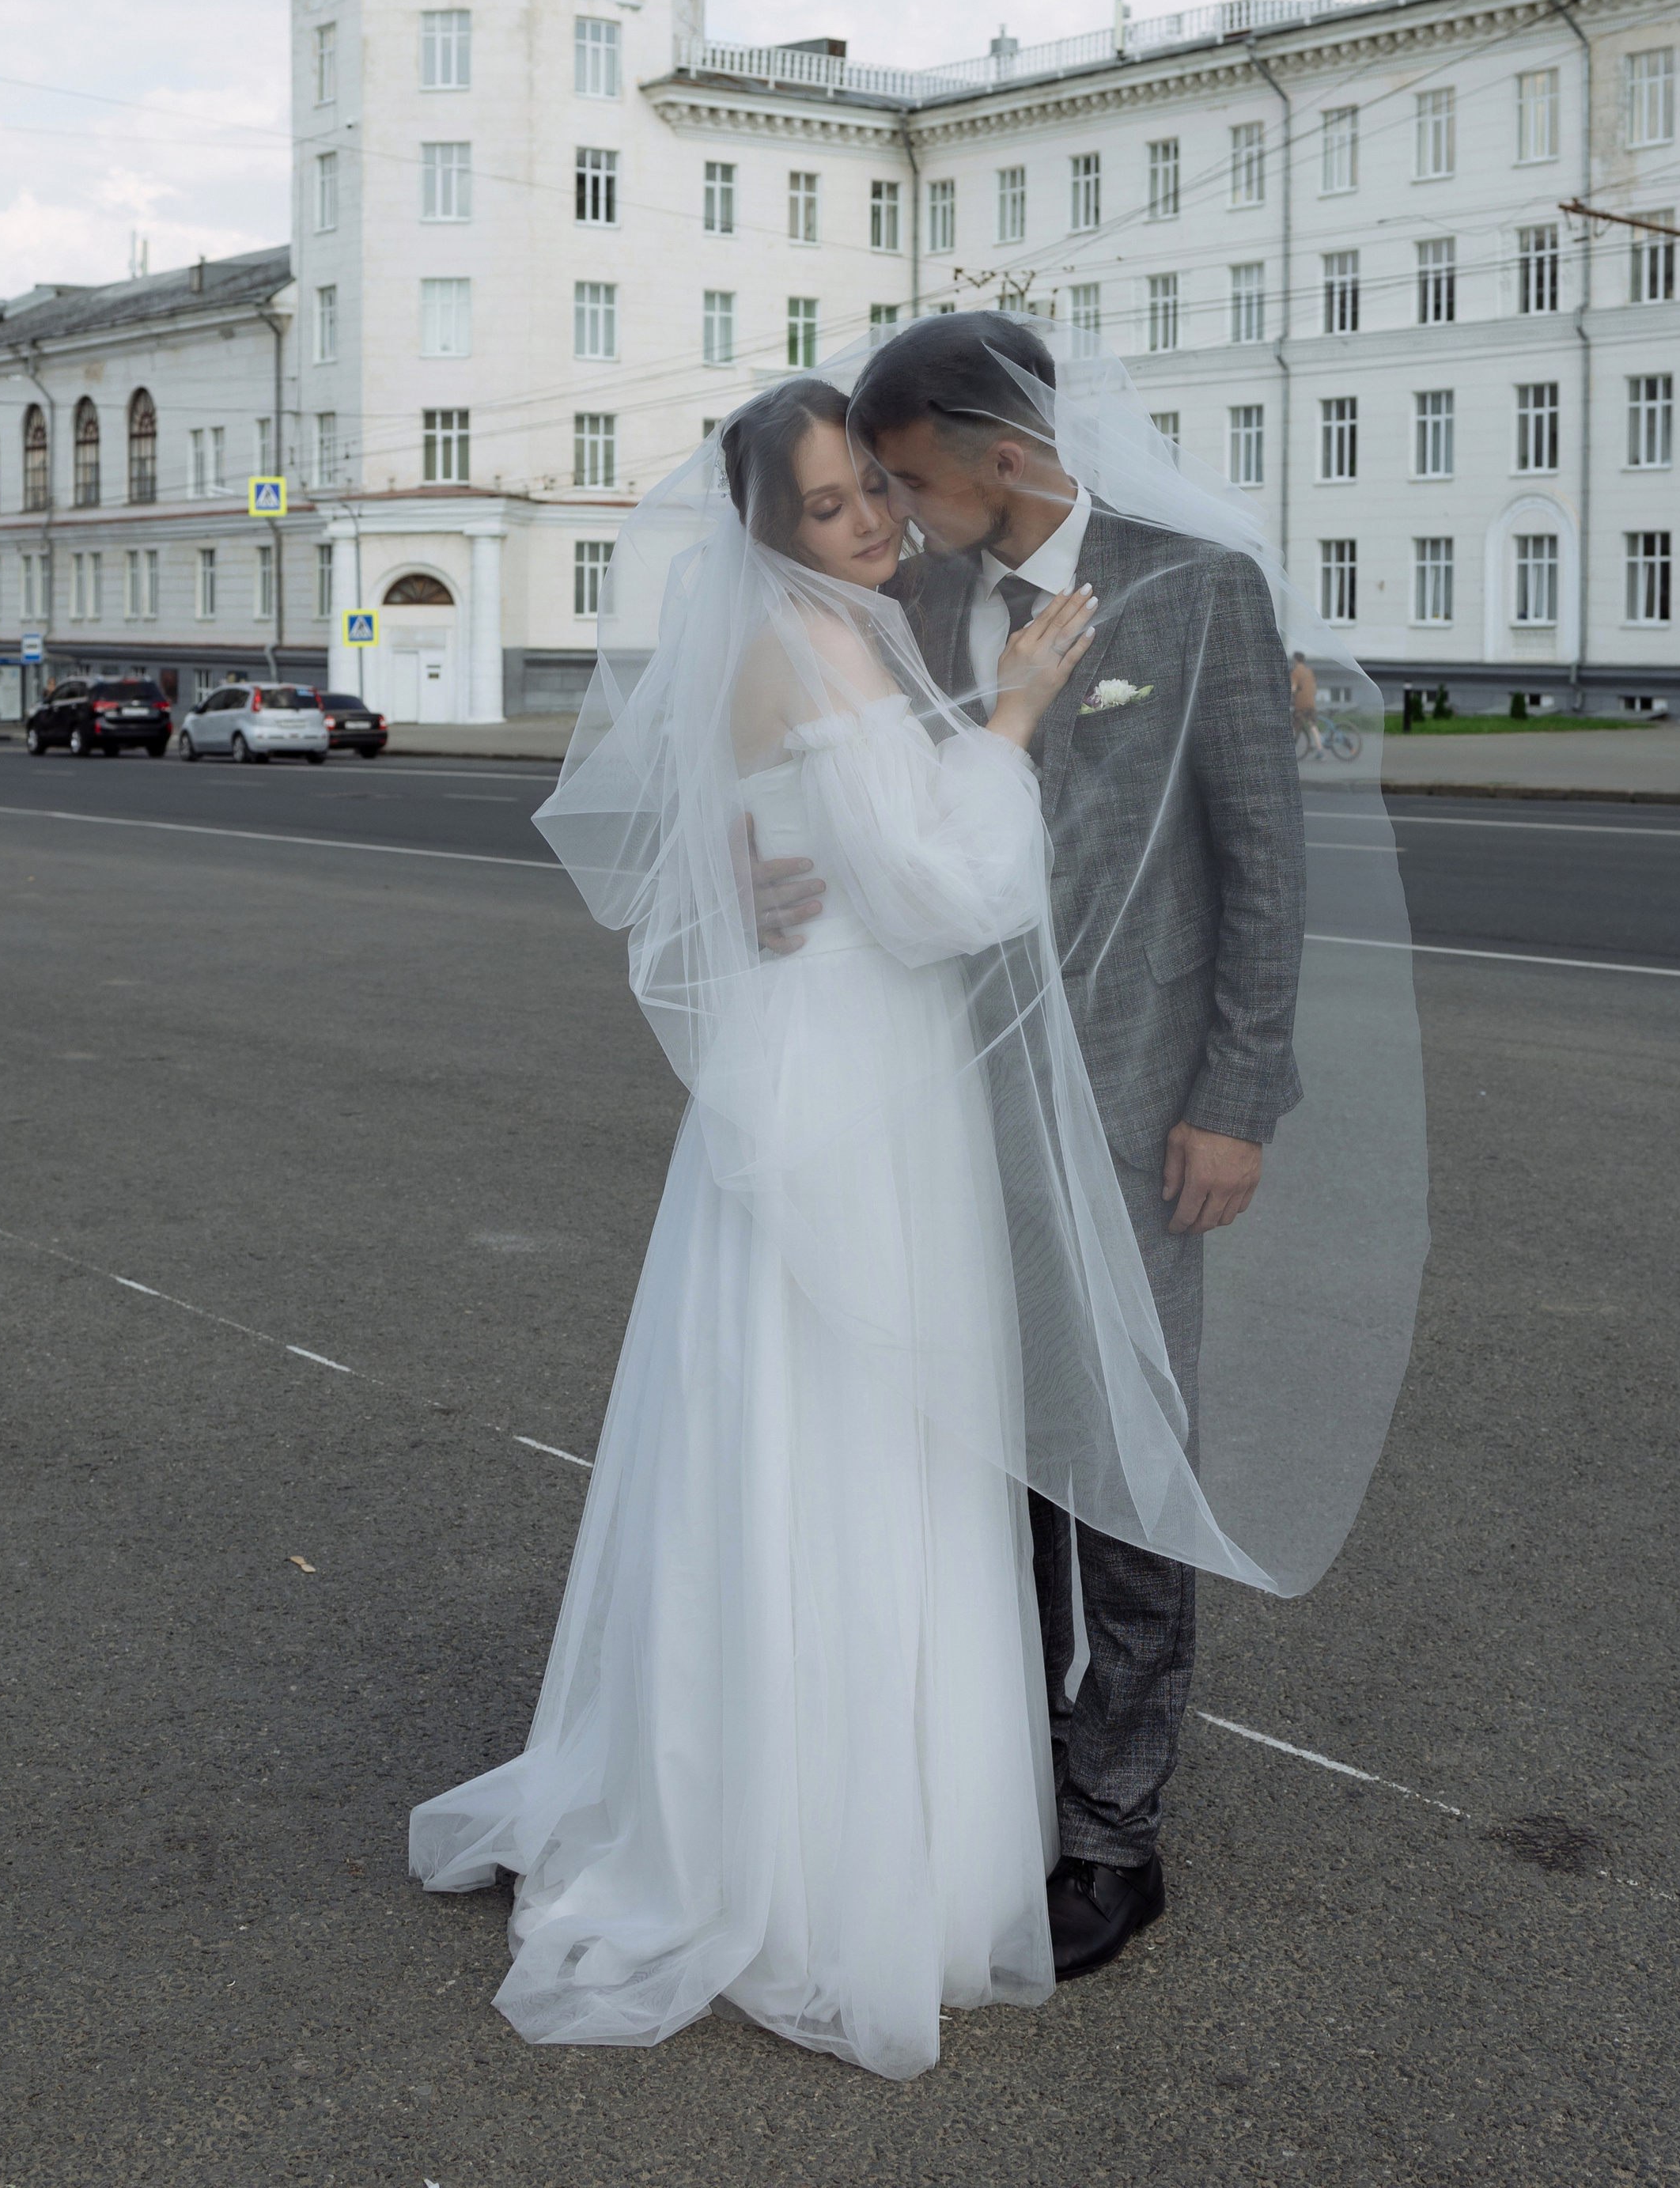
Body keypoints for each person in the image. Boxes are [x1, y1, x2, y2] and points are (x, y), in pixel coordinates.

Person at [409, 378, 1259, 2080]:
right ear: (762, 537)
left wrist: (752, 855)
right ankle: (834, 1850)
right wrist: (1011, 721)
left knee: (807, 1440)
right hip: (863, 1100)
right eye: (827, 506)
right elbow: (942, 892)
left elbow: (747, 848)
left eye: (872, 486)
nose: (871, 523)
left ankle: (814, 1796)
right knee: (865, 1442)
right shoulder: (825, 647)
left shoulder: (841, 624)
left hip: (832, 1079)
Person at [839, 312, 1307, 1982]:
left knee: (1119, 1472)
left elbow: (1261, 868)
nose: (893, 510)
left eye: (908, 478)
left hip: (1127, 1110)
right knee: (976, 1455)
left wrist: (1235, 1099)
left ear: (1007, 455)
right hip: (936, 1112)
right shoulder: (908, 606)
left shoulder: (1193, 589)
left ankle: (1114, 1830)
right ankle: (998, 1783)